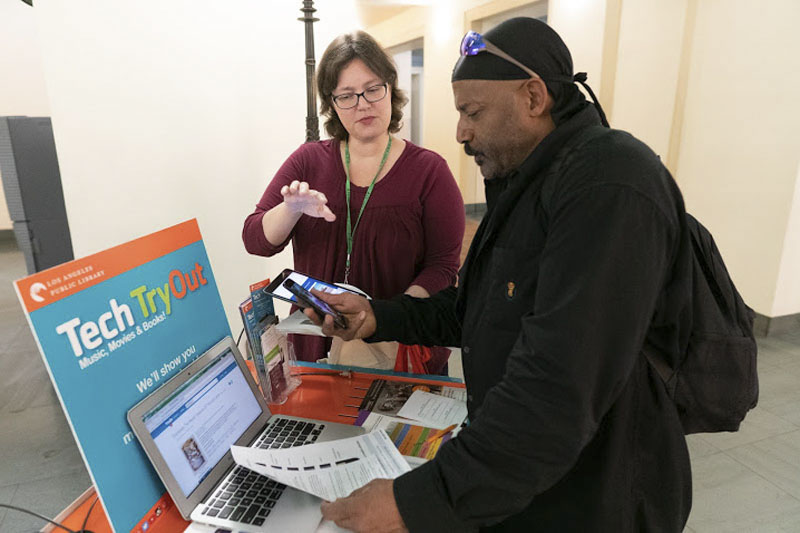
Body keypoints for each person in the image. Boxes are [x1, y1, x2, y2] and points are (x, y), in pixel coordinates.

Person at [307, 17, 693, 533]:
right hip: (527, 478)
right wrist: (378, 315)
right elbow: (476, 309)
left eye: (473, 112)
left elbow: (555, 387)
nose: (462, 131)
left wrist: (417, 501)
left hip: (599, 493)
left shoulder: (610, 185)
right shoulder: (527, 182)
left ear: (533, 97)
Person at [242, 31, 465, 373]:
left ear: (391, 88)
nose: (363, 104)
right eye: (346, 95)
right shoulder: (308, 162)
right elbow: (255, 240)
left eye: (373, 89)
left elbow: (443, 266)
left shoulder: (429, 170)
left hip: (398, 347)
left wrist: (388, 317)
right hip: (314, 345)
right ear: (332, 103)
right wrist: (291, 209)